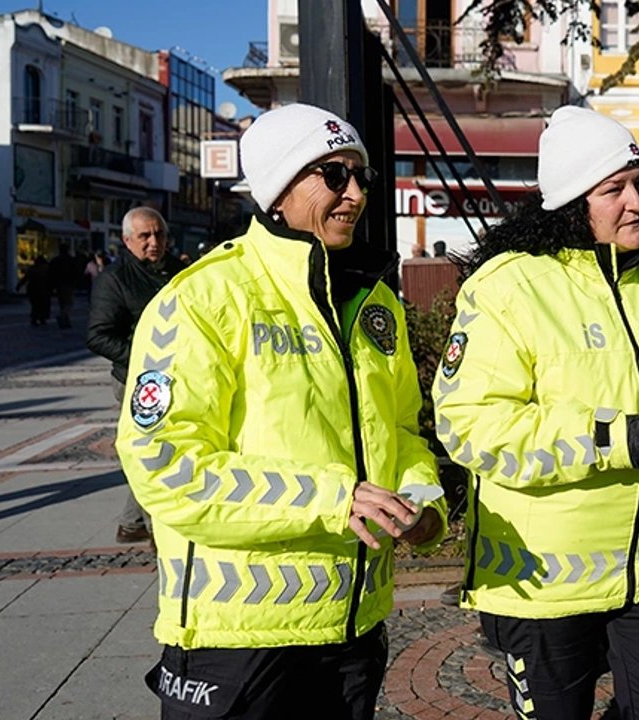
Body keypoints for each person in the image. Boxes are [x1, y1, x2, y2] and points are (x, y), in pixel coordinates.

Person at [115, 103, 447, 720]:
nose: (354, 193)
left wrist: (424, 504)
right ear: (277, 189)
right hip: (239, 641)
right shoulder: (203, 298)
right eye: (333, 175)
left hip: (354, 628)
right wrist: (332, 500)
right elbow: (164, 466)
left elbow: (400, 431)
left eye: (362, 177)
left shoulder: (375, 302)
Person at [430, 106, 639, 720]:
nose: (638, 202)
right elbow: (470, 425)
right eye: (614, 189)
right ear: (575, 201)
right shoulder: (508, 287)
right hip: (543, 581)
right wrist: (612, 440)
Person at [87, 207, 187, 544]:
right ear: (127, 240)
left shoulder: (179, 270)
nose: (154, 242)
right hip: (138, 382)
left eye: (159, 234)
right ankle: (160, 536)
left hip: (180, 376)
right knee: (153, 452)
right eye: (144, 236)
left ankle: (131, 523)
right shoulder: (114, 279)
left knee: (167, 449)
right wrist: (147, 359)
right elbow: (98, 335)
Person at [48, 244, 79, 328]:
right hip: (68, 284)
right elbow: (75, 272)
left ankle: (65, 319)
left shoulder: (55, 260)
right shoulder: (71, 260)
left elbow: (50, 273)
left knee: (62, 303)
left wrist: (52, 285)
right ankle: (63, 317)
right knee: (68, 303)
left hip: (59, 284)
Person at [16, 254, 52, 326]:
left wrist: (19, 286)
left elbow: (25, 278)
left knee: (35, 305)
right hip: (44, 289)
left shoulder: (32, 269)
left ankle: (35, 318)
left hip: (33, 289)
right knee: (43, 304)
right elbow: (51, 279)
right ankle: (42, 318)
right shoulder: (47, 269)